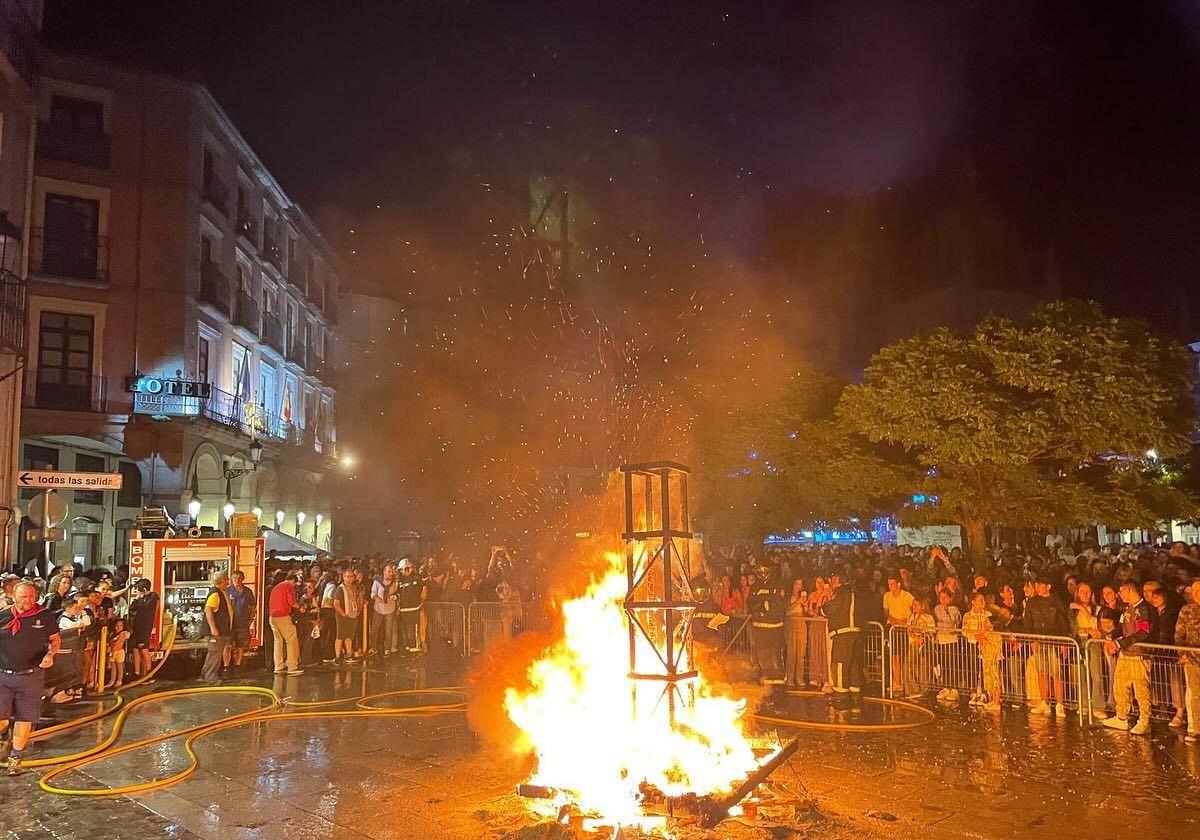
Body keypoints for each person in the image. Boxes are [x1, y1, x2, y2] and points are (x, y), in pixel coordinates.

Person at [0, 582, 61, 774]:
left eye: (32, 596)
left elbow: (55, 640)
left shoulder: (44, 616)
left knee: (24, 717)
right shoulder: (3, 615)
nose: (29, 600)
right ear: (14, 596)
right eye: (24, 596)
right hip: (3, 675)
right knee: (1, 718)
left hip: (31, 676)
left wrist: (50, 655)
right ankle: (4, 741)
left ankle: (15, 758)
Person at [1102, 581, 1154, 735]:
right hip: (1126, 652)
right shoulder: (1127, 609)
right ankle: (1121, 716)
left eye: (1121, 591)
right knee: (1120, 684)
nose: (1120, 594)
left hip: (1139, 654)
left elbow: (1144, 633)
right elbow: (1120, 627)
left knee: (1141, 689)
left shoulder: (1144, 609)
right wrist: (1111, 636)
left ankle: (1145, 720)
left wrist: (1120, 643)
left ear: (1129, 590)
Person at [1024, 575, 1070, 718]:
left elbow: (1063, 622)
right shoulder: (1032, 602)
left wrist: (1063, 642)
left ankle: (1059, 704)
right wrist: (1031, 640)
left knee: (1056, 673)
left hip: (1054, 641)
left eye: (1040, 585)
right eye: (1036, 585)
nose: (1037, 588)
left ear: (1048, 586)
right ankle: (1044, 701)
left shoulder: (1056, 601)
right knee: (1041, 672)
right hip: (1038, 640)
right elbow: (1028, 622)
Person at [1069, 582, 1106, 722]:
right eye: (1082, 591)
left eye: (1088, 591)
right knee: (1082, 674)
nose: (1085, 594)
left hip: (1093, 643)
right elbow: (1073, 628)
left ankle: (1098, 705)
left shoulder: (1097, 609)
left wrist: (1084, 610)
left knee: (1096, 674)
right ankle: (1083, 703)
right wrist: (1085, 629)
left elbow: (1096, 626)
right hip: (1080, 642)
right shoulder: (1073, 609)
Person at [824, 571, 862, 696]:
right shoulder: (854, 592)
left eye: (832, 579)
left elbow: (830, 609)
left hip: (842, 634)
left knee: (840, 664)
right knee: (854, 665)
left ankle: (841, 699)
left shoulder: (840, 593)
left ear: (837, 579)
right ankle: (855, 698)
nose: (830, 581)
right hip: (856, 634)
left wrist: (822, 608)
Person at [747, 562, 785, 684]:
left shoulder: (777, 585)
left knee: (775, 651)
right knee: (762, 651)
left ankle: (778, 676)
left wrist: (767, 605)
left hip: (774, 625)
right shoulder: (755, 587)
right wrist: (761, 608)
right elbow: (751, 603)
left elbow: (779, 603)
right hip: (760, 625)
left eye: (765, 569)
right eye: (760, 570)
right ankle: (766, 676)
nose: (762, 573)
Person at [962, 592, 1001, 711]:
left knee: (986, 670)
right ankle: (974, 692)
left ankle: (984, 693)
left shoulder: (987, 614)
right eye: (980, 600)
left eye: (983, 600)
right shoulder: (968, 615)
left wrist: (984, 636)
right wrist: (975, 636)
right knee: (973, 667)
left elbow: (991, 628)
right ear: (973, 602)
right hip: (973, 644)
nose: (983, 603)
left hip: (986, 645)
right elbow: (964, 630)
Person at [1175, 578, 1200, 745]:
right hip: (1192, 659)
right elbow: (1179, 634)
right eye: (1195, 591)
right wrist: (1182, 653)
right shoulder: (1187, 610)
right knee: (1194, 694)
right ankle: (1194, 727)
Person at [883, 573, 915, 695]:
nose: (890, 586)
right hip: (892, 628)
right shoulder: (887, 596)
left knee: (901, 655)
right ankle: (896, 681)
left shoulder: (907, 596)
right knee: (893, 655)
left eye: (892, 584)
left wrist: (907, 619)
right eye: (888, 584)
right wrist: (892, 619)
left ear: (899, 584)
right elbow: (886, 611)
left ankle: (901, 681)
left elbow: (915, 607)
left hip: (903, 628)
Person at [268, 570, 304, 676]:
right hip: (282, 616)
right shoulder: (289, 586)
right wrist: (301, 607)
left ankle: (278, 666)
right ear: (293, 580)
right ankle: (292, 666)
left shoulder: (277, 586)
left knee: (278, 641)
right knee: (291, 640)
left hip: (272, 617)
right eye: (295, 583)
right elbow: (292, 602)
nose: (295, 586)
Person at [201, 571, 234, 684]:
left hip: (221, 630)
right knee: (215, 654)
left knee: (213, 654)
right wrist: (213, 628)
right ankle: (211, 678)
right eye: (226, 580)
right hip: (216, 632)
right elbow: (209, 611)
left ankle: (206, 675)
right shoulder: (215, 594)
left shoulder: (220, 592)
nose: (228, 582)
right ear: (222, 581)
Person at [932, 588, 962, 702]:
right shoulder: (936, 608)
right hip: (941, 640)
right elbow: (937, 621)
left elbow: (952, 622)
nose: (943, 600)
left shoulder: (954, 609)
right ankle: (945, 686)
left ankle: (954, 688)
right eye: (941, 598)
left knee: (952, 664)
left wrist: (946, 611)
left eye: (945, 598)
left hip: (951, 640)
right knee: (943, 664)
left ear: (950, 598)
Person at [127, 579, 159, 680]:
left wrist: (139, 599)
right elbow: (132, 607)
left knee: (144, 649)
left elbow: (144, 607)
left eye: (138, 590)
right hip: (135, 627)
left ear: (144, 589)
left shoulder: (153, 596)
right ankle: (136, 673)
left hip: (144, 627)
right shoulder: (140, 599)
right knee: (135, 649)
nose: (137, 592)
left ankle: (149, 674)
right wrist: (137, 599)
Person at [226, 570, 256, 675]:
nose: (236, 581)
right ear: (231, 579)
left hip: (243, 623)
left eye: (239, 578)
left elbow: (252, 605)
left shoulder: (247, 592)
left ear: (242, 579)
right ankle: (226, 667)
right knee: (228, 645)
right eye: (234, 578)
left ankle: (237, 667)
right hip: (229, 623)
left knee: (240, 646)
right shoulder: (227, 591)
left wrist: (251, 619)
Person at [395, 559, 425, 653]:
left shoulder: (417, 578)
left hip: (414, 608)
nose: (401, 572)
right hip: (404, 608)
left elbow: (423, 590)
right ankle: (409, 645)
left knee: (414, 629)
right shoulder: (401, 580)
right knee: (406, 629)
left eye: (402, 570)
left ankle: (416, 646)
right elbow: (399, 593)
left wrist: (421, 602)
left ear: (409, 568)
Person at [333, 569, 362, 665]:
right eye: (348, 576)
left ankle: (349, 655)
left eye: (352, 576)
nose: (350, 578)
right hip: (343, 615)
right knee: (340, 636)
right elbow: (336, 604)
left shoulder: (354, 588)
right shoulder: (340, 588)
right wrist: (343, 614)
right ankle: (337, 657)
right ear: (344, 577)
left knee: (349, 636)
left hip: (353, 615)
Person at [783, 578, 808, 688]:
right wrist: (798, 601)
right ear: (793, 585)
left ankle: (799, 678)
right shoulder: (788, 596)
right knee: (792, 652)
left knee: (800, 653)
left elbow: (806, 611)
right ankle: (790, 678)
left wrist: (806, 605)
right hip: (791, 622)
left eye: (800, 584)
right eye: (797, 583)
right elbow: (787, 610)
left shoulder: (803, 596)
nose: (799, 586)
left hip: (801, 622)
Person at [371, 562, 399, 656]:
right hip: (378, 608)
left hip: (390, 609)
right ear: (384, 572)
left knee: (388, 630)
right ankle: (373, 647)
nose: (391, 574)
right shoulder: (377, 581)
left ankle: (387, 648)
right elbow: (373, 593)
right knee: (375, 628)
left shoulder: (395, 582)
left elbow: (398, 594)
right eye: (389, 572)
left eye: (392, 572)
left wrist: (394, 596)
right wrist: (377, 599)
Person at [106, 617, 130, 688]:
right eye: (117, 626)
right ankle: (112, 680)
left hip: (119, 652)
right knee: (113, 667)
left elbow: (117, 641)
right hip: (112, 652)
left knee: (119, 667)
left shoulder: (123, 633)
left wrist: (111, 642)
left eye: (120, 626)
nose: (118, 627)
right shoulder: (112, 634)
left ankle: (119, 680)